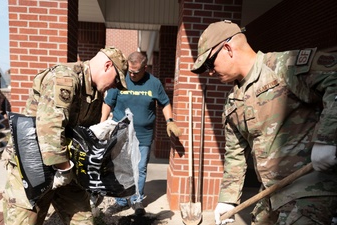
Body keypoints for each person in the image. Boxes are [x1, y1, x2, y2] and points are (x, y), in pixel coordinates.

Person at [191, 20, 337, 225]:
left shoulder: (285, 67)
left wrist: (327, 138)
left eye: (209, 63)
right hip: (271, 194)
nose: (210, 72)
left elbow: (334, 80)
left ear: (227, 49)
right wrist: (228, 199)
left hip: (309, 190)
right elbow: (235, 155)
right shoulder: (233, 103)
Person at [2, 46, 128, 225]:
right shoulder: (65, 79)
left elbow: (82, 135)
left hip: (66, 168)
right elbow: (50, 130)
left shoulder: (95, 92)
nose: (115, 85)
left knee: (83, 221)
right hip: (31, 167)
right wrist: (64, 169)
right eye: (116, 79)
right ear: (107, 66)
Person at [102, 51, 181, 216]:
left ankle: (137, 199)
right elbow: (108, 103)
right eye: (130, 70)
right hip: (121, 133)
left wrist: (170, 121)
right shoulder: (121, 79)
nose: (132, 74)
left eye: (136, 72)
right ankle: (122, 201)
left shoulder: (154, 83)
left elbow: (165, 103)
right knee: (120, 166)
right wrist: (103, 126)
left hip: (143, 135)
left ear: (145, 67)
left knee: (140, 167)